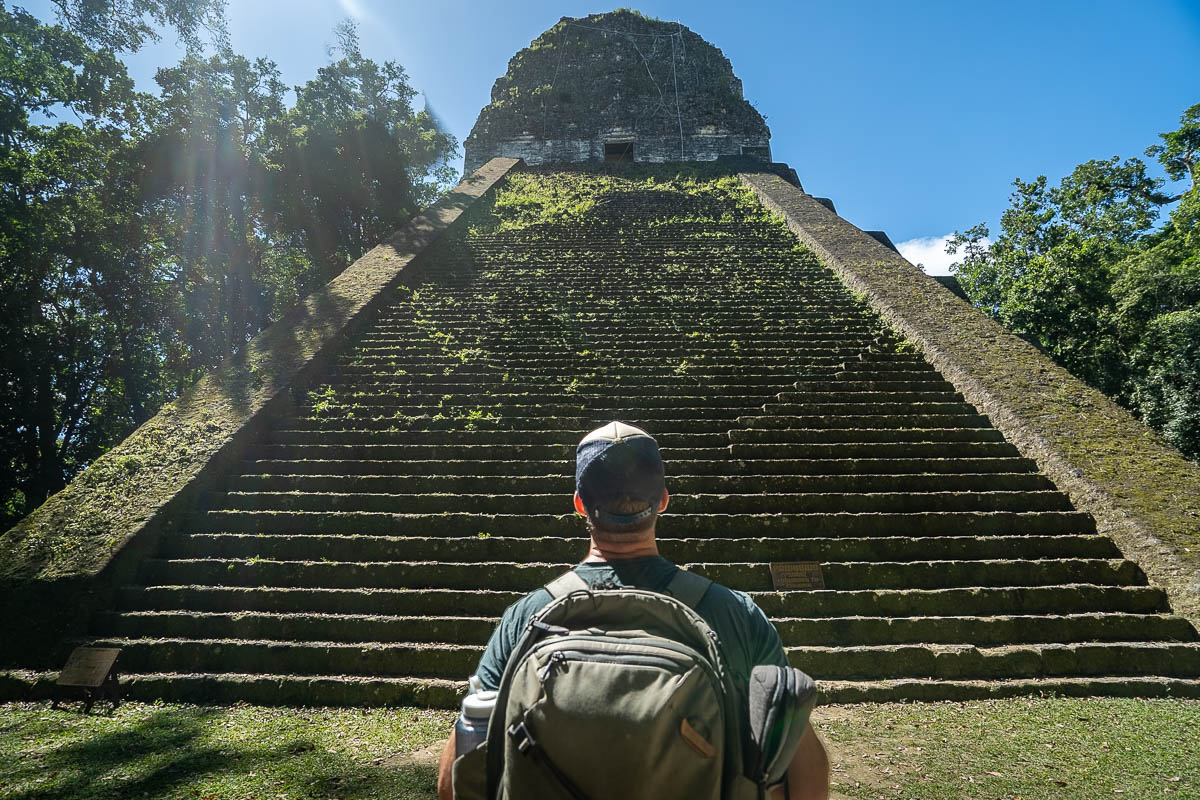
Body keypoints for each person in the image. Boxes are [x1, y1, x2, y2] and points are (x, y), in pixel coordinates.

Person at [437, 421, 830, 800]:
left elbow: (458, 775)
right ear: (662, 499)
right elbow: (803, 771)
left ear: (579, 504)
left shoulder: (528, 618)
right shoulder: (736, 615)